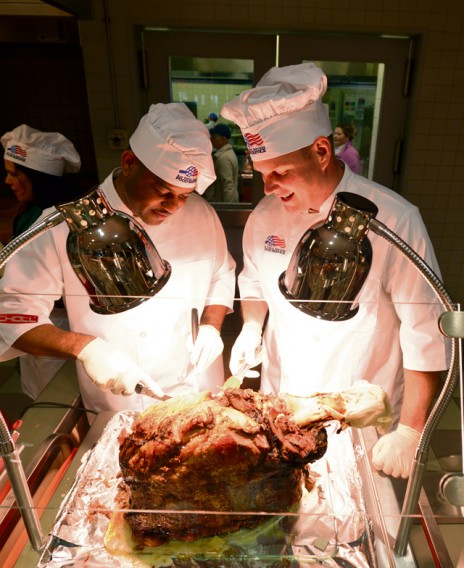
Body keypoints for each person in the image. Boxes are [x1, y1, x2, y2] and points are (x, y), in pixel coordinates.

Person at [221, 63, 448, 479]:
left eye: (281, 173)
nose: (268, 188)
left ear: (321, 152)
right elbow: (254, 283)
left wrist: (410, 431)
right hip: (283, 410)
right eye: (261, 174)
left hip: (358, 420)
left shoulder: (394, 220)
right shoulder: (266, 215)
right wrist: (251, 328)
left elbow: (426, 333)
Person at [0, 103, 236, 412]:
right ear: (128, 163)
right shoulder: (66, 225)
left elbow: (221, 274)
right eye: (162, 190)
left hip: (197, 389)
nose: (173, 206)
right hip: (121, 400)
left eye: (184, 195)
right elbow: (12, 316)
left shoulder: (200, 214)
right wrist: (85, 349)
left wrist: (211, 326)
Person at [1, 124, 81, 399]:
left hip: (55, 326)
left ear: (37, 177)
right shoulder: (33, 213)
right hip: (44, 326)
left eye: (14, 174)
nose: (7, 182)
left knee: (56, 398)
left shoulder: (47, 221)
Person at [209, 123, 239, 202]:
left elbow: (228, 186)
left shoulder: (224, 158)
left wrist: (228, 208)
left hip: (223, 201)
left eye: (215, 137)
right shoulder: (227, 154)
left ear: (224, 139)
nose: (212, 140)